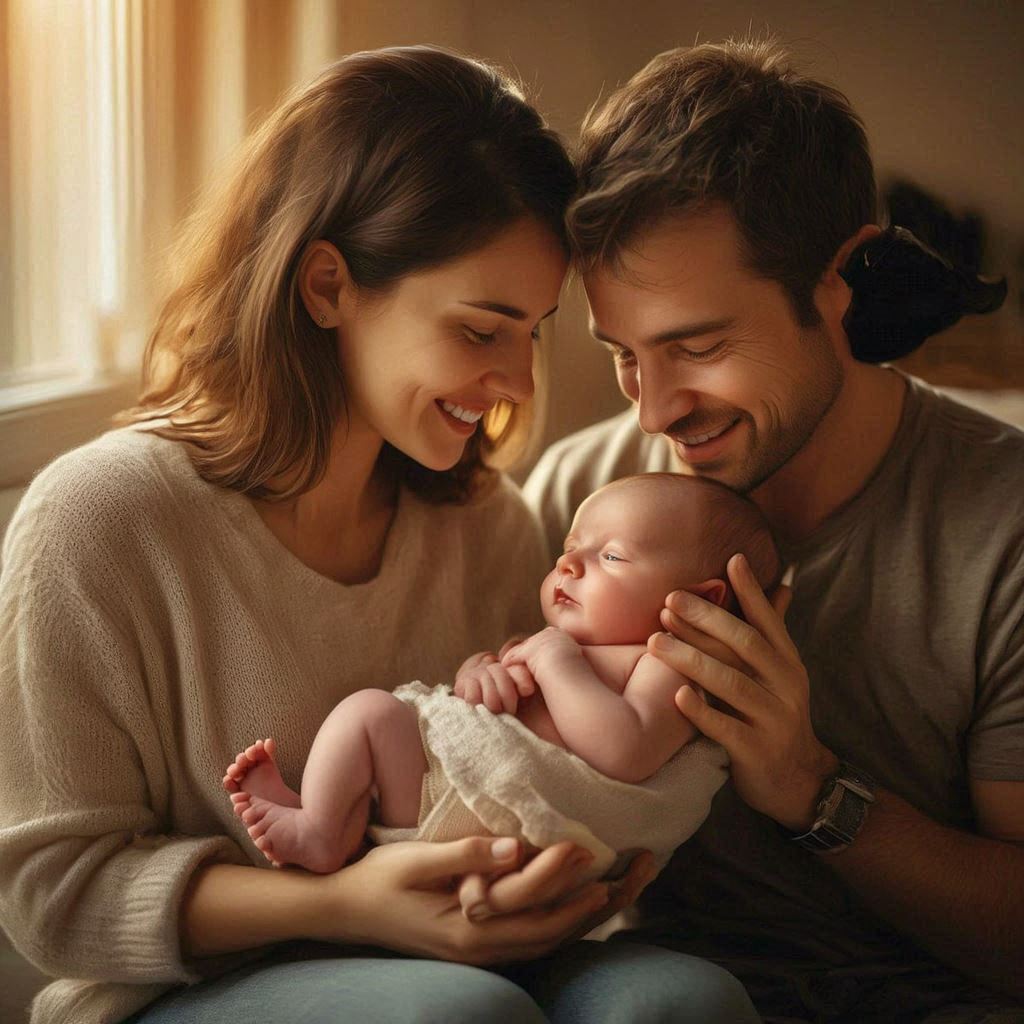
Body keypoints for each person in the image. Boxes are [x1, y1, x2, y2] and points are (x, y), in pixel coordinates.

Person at [0, 45, 759, 1024]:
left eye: (532, 332)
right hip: (194, 984)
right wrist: (342, 902)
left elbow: (545, 775)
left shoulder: (485, 526)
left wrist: (560, 882)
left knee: (682, 1003)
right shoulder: (98, 521)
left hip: (481, 952)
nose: (522, 383)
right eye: (482, 329)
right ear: (327, 287)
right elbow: (52, 894)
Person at [525, 38, 1024, 1023]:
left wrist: (812, 790)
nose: (654, 409)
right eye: (624, 353)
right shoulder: (574, 500)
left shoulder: (1000, 534)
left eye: (698, 345)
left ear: (844, 280)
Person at [223, 473, 780, 884]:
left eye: (612, 556)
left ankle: (328, 828)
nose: (570, 565)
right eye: (569, 550)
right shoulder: (551, 643)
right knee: (370, 712)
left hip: (518, 833)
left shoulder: (663, 662)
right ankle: (325, 824)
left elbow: (626, 749)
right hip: (440, 791)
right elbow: (475, 709)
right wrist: (481, 675)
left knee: (370, 714)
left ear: (701, 602)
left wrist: (557, 664)